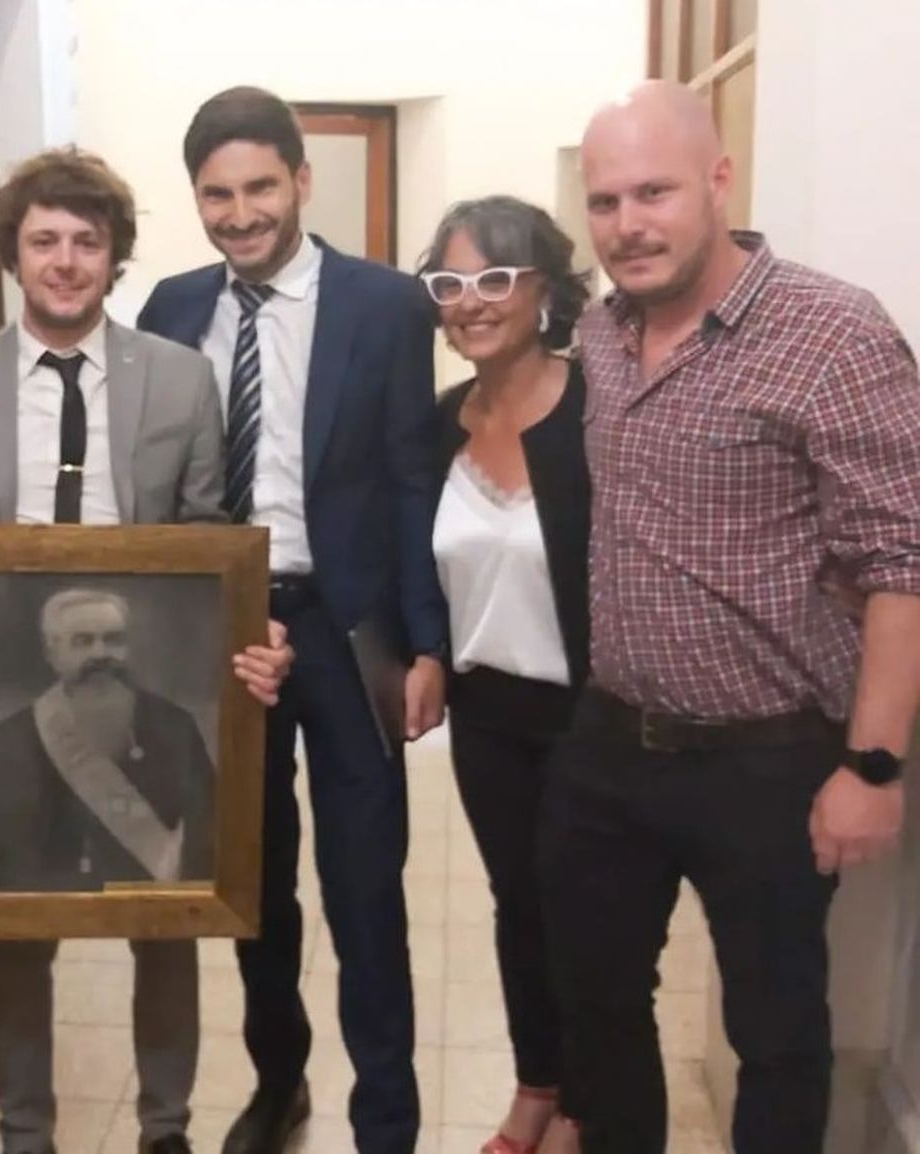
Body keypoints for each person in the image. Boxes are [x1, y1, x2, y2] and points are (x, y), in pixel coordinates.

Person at [0, 147, 293, 1154]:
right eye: (44, 240)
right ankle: (26, 1132)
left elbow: (208, 538)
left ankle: (164, 1127)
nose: (66, 260)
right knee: (11, 921)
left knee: (169, 906)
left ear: (115, 258)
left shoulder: (184, 379)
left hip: (144, 677)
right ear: (14, 256)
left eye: (87, 242)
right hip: (7, 686)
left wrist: (253, 626)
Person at [540, 81, 920, 1154]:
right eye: (606, 201)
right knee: (598, 1005)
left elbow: (905, 561)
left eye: (653, 192)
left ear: (718, 180)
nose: (628, 224)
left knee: (778, 1029)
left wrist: (874, 766)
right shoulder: (602, 332)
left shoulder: (832, 331)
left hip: (769, 759)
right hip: (613, 741)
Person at [135, 88, 447, 1154]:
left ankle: (387, 1117)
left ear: (302, 182)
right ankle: (281, 1083)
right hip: (228, 636)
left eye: (260, 186)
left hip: (349, 633)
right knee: (253, 886)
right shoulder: (172, 309)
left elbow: (413, 478)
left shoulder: (387, 305)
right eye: (216, 193)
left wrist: (427, 644)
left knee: (367, 888)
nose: (239, 212)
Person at [417, 196, 591, 1154]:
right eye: (450, 282)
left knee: (586, 918)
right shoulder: (443, 423)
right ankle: (536, 1085)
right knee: (518, 908)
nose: (470, 302)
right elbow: (427, 567)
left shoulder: (596, 404)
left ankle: (581, 1106)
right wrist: (432, 655)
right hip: (487, 716)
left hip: (590, 713)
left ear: (543, 290)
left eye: (493, 278)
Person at [0, 587, 216, 893]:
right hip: (41, 902)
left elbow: (207, 829)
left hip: (151, 901)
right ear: (52, 653)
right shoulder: (14, 736)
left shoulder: (174, 725)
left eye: (113, 639)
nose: (100, 653)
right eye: (82, 641)